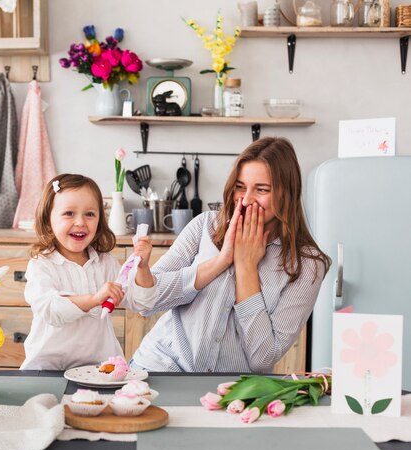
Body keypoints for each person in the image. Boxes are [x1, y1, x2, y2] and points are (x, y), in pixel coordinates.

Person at [132, 137, 331, 373]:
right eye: (240, 186)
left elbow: (263, 358)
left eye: (262, 189)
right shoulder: (204, 226)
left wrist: (246, 267)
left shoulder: (306, 264)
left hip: (232, 390)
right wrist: (221, 261)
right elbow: (146, 300)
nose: (246, 200)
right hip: (160, 366)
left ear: (286, 193)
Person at [20, 173, 159, 370]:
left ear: (100, 221)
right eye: (69, 213)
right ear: (48, 220)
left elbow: (143, 302)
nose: (80, 222)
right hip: (47, 369)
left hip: (99, 369)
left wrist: (143, 267)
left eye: (90, 214)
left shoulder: (106, 264)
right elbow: (51, 310)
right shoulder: (41, 265)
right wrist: (94, 298)